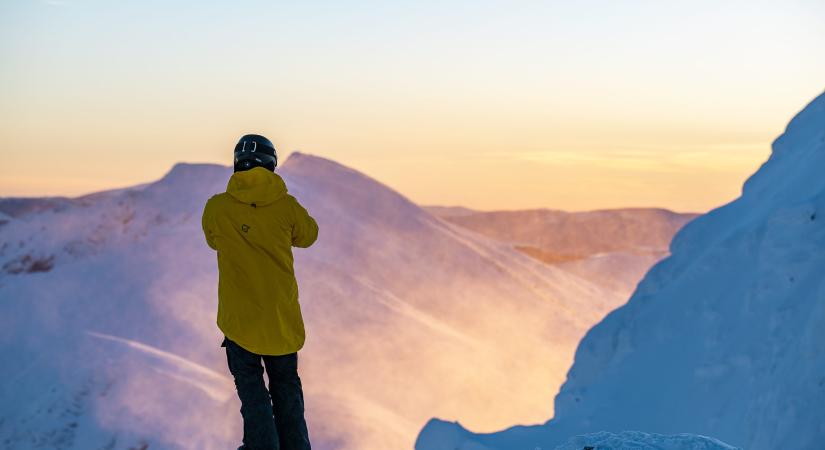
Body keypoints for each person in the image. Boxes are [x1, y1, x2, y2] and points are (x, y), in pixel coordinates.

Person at [201, 134, 318, 450]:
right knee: (286, 390)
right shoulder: (286, 207)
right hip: (280, 321)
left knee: (252, 391)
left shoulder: (217, 207)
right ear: (271, 163)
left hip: (239, 322)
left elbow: (213, 239)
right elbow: (309, 236)